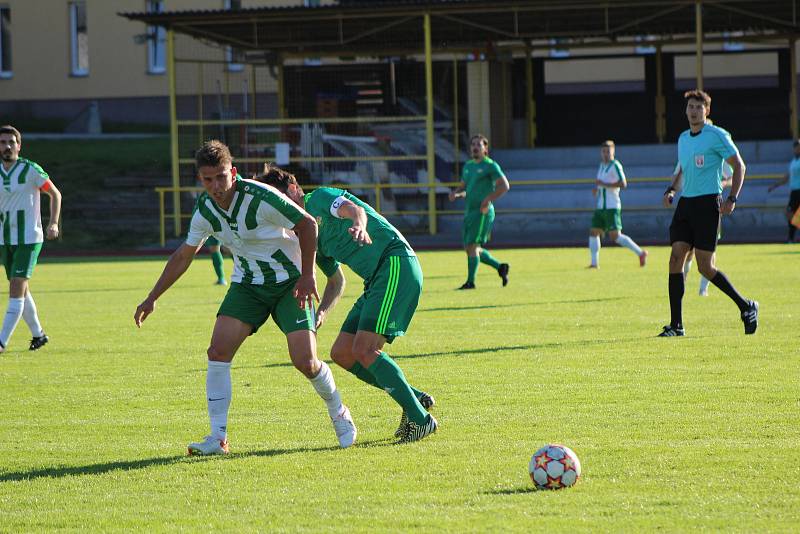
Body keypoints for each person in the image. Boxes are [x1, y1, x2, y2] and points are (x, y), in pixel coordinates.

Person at [134, 140, 356, 455]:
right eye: (208, 179)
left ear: (233, 173)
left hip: (290, 284)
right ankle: (217, 438)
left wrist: (308, 275)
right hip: (248, 285)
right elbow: (185, 255)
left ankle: (339, 412)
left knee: (305, 361)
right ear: (201, 179)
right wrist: (152, 297)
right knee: (217, 351)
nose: (216, 186)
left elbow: (307, 225)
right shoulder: (205, 209)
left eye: (221, 177)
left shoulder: (260, 197)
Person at [258, 165, 437, 443]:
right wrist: (321, 314)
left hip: (394, 264)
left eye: (281, 199)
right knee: (342, 352)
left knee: (366, 349)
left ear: (293, 190)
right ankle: (412, 397)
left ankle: (420, 419)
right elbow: (336, 281)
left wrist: (359, 225)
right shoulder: (307, 236)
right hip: (376, 279)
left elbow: (355, 210)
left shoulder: (319, 199)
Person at [659, 90, 758, 337]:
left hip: (707, 205)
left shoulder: (717, 135)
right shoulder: (683, 138)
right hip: (686, 205)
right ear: (686, 110)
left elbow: (739, 166)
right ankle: (676, 325)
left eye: (698, 107)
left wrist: (732, 198)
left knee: (705, 267)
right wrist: (671, 190)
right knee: (675, 257)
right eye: (690, 107)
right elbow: (682, 169)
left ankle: (746, 306)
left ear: (707, 111)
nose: (693, 111)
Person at [0, 125, 62, 353]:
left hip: (28, 238)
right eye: (3, 142)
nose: (7, 146)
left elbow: (55, 193)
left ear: (19, 145)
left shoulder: (30, 170)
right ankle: (38, 334)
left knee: (16, 287)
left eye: (11, 142)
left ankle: (1, 342)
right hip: (5, 240)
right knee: (21, 289)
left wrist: (53, 222)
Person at [448, 134, 510, 290]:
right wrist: (457, 193)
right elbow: (467, 188)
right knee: (470, 248)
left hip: (482, 212)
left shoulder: (490, 166)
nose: (475, 147)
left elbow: (504, 186)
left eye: (479, 145)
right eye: (473, 144)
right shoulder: (468, 166)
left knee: (472, 247)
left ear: (485, 149)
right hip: (469, 212)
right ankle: (500, 267)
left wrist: (487, 200)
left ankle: (471, 282)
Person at [588, 140, 648, 268]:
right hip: (601, 206)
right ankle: (594, 264)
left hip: (612, 206)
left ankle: (641, 253)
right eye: (603, 151)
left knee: (615, 236)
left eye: (608, 152)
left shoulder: (616, 165)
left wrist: (604, 185)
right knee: (594, 232)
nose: (605, 154)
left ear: (613, 152)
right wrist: (597, 189)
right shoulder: (601, 165)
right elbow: (601, 183)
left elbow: (623, 183)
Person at [681, 158, 733, 296]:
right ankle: (683, 279)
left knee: (709, 250)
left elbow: (732, 177)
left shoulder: (719, 153)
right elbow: (678, 173)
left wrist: (724, 182)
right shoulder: (689, 149)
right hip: (691, 205)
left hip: (711, 207)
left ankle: (703, 289)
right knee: (688, 248)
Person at [767, 139, 800, 243]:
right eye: (795, 147)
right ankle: (791, 238)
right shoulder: (793, 162)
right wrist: (774, 186)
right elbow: (787, 177)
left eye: (798, 147)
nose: (796, 149)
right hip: (794, 192)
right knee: (790, 215)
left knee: (792, 214)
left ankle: (791, 238)